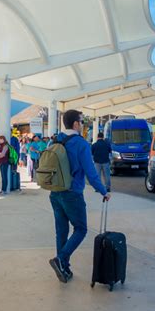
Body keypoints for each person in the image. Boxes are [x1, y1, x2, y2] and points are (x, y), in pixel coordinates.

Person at [48, 110, 111, 283]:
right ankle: (61, 260)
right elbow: (91, 174)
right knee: (81, 229)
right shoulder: (80, 144)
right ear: (75, 124)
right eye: (81, 122)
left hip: (55, 193)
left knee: (61, 231)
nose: (82, 125)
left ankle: (64, 268)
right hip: (72, 193)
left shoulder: (55, 140)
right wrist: (104, 191)